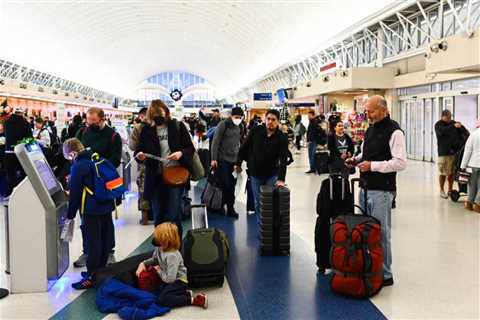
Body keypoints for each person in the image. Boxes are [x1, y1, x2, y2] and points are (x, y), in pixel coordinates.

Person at [346, 95, 407, 287]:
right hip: (364, 187)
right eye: (366, 111)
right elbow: (365, 153)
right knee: (364, 231)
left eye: (371, 111)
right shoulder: (370, 129)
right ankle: (369, 266)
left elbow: (400, 163)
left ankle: (386, 273)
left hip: (382, 190)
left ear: (383, 109)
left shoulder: (395, 131)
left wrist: (372, 166)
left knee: (381, 233)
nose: (367, 114)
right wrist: (355, 159)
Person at [135, 99, 194, 238]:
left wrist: (180, 153)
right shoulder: (146, 130)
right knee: (158, 215)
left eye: (160, 114)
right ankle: (160, 248)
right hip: (155, 177)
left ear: (166, 113)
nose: (158, 118)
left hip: (175, 175)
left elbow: (190, 148)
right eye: (155, 115)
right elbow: (138, 151)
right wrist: (140, 156)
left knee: (174, 214)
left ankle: (176, 247)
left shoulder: (178, 126)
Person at [63, 138, 114, 290]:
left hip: (91, 209)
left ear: (72, 153)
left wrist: (70, 214)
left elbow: (75, 194)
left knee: (93, 243)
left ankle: (92, 277)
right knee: (104, 239)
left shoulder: (79, 166)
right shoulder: (96, 157)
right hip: (105, 204)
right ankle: (101, 272)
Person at [75, 107, 122, 267]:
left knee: (105, 219)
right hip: (85, 185)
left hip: (103, 184)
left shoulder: (113, 136)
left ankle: (109, 251)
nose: (90, 124)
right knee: (85, 220)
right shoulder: (82, 133)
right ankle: (87, 251)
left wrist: (97, 165)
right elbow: (75, 152)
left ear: (102, 119)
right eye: (88, 121)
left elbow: (115, 159)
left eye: (94, 121)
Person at [236, 109, 289, 225]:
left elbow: (283, 159)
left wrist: (281, 179)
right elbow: (244, 147)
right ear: (265, 119)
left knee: (269, 202)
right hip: (255, 173)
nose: (270, 122)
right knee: (258, 202)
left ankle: (269, 226)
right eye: (268, 119)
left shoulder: (282, 137)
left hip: (272, 175)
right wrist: (238, 163)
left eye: (273, 120)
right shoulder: (256, 131)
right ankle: (263, 226)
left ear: (278, 122)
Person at [136, 223, 207, 308]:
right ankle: (184, 293)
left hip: (179, 281)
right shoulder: (159, 248)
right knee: (157, 292)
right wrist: (143, 263)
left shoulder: (172, 256)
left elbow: (170, 279)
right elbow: (155, 260)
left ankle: (193, 300)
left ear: (165, 240)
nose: (155, 239)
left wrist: (159, 271)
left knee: (162, 300)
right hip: (167, 277)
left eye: (157, 237)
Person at [210, 107, 244, 218]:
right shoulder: (223, 125)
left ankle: (230, 208)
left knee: (232, 185)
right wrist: (213, 158)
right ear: (231, 116)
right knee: (225, 184)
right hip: (222, 159)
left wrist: (240, 160)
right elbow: (215, 142)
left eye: (240, 117)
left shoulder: (241, 126)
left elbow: (241, 142)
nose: (238, 119)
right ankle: (220, 205)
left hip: (234, 161)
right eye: (236, 117)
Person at [128, 107, 151, 225]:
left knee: (143, 187)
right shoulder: (159, 125)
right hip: (159, 162)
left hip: (143, 161)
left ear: (141, 116)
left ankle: (145, 216)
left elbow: (132, 146)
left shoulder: (137, 128)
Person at [4, 107, 33, 195]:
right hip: (21, 153)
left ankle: (9, 194)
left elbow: (7, 137)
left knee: (10, 175)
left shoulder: (7, 122)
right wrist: (21, 143)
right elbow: (29, 139)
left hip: (9, 152)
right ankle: (21, 194)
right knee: (24, 174)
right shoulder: (26, 123)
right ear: (22, 113)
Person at [434, 110, 463, 199]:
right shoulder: (438, 125)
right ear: (443, 116)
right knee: (443, 172)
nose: (450, 119)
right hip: (443, 153)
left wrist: (460, 126)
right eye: (449, 117)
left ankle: (450, 189)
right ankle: (442, 190)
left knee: (451, 173)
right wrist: (453, 126)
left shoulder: (453, 123)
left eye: (451, 117)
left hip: (453, 152)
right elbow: (443, 131)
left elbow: (461, 132)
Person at [460, 119, 480, 213]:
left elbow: (467, 151)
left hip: (472, 164)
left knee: (472, 185)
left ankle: (469, 203)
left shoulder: (473, 134)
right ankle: (478, 205)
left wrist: (463, 165)